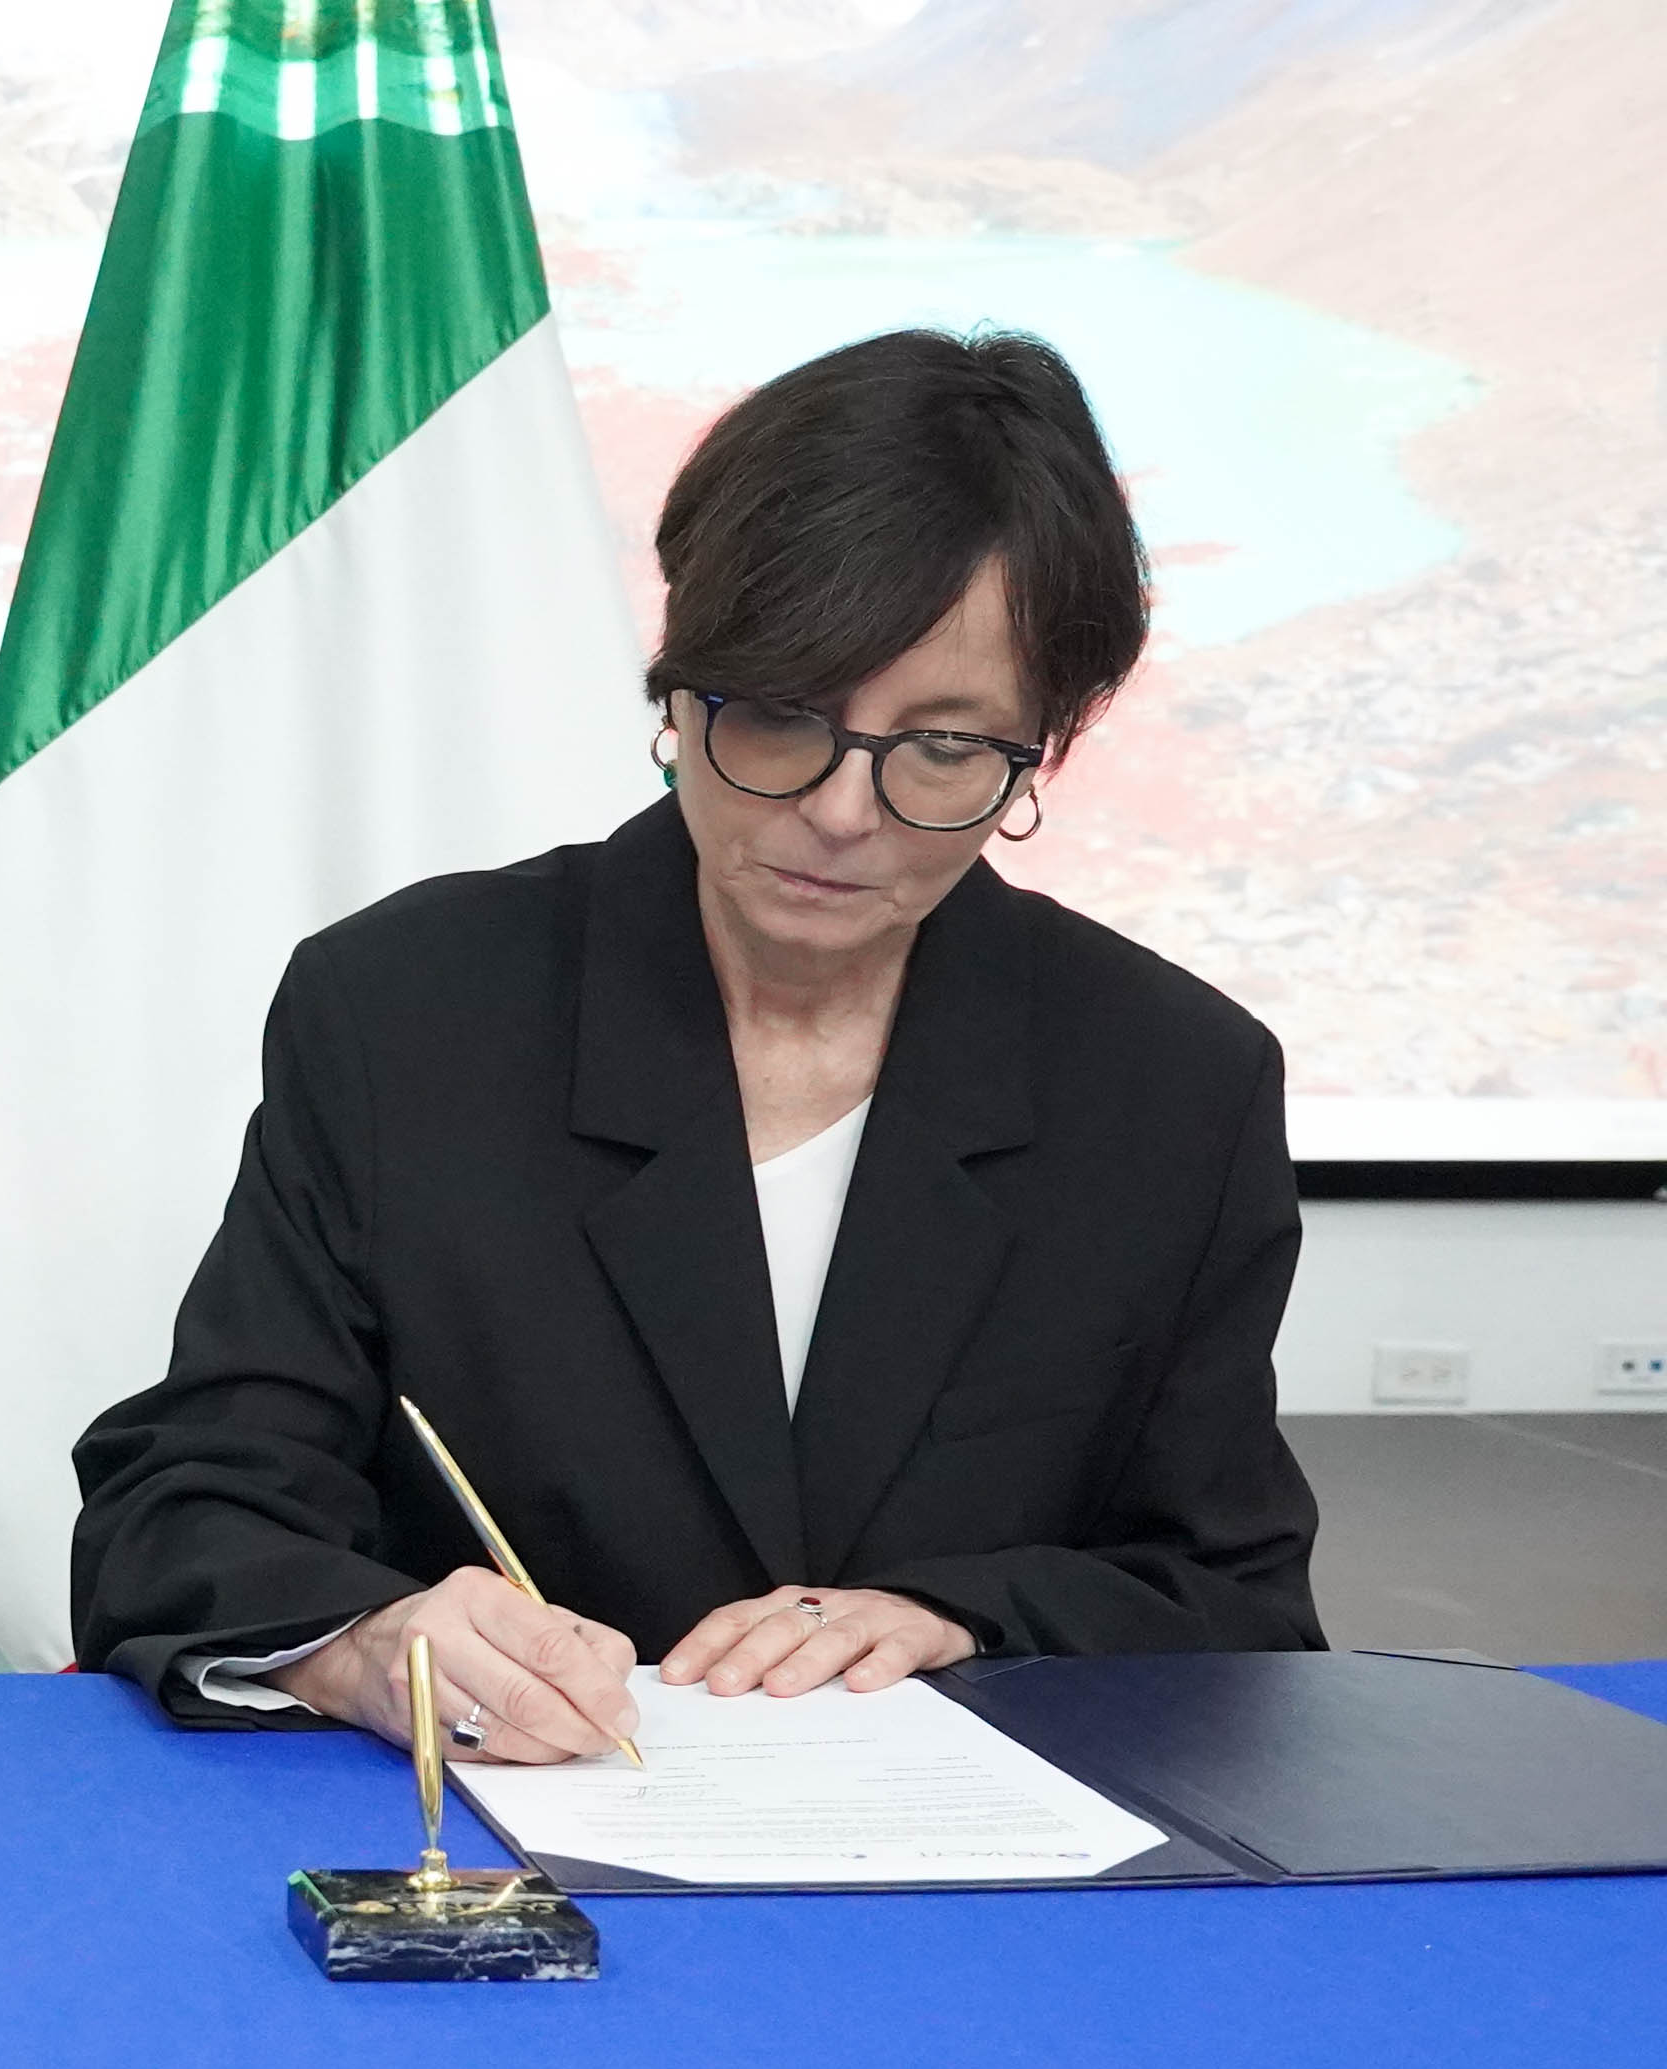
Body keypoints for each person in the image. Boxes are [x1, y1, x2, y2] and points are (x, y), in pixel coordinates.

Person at [69, 327, 1322, 1762]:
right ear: (676, 690)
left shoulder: (1169, 1082)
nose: (844, 813)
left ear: (1049, 743)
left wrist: (967, 1617)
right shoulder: (410, 1010)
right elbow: (186, 1501)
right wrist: (365, 1644)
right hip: (495, 1855)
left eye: (943, 748)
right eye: (783, 718)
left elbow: (1233, 1603)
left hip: (973, 1901)